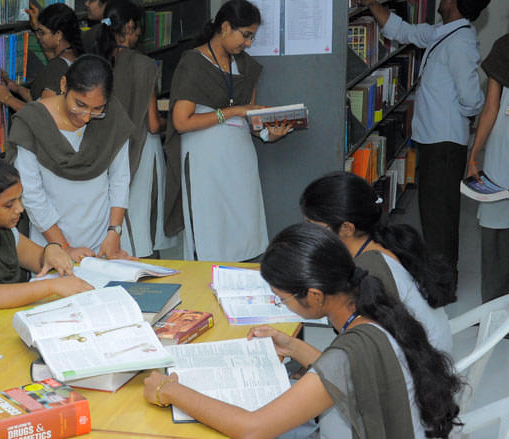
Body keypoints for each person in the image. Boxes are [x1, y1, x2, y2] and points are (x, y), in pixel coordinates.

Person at [143, 223, 462, 438]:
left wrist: (168, 390)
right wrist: (293, 347)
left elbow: (253, 428)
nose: (282, 307)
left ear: (314, 295)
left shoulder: (350, 351)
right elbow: (348, 376)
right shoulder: (372, 307)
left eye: (281, 299)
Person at [358, 0, 489, 287]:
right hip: (433, 137)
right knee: (433, 211)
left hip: (444, 141)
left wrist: (464, 114)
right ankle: (439, 277)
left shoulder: (460, 42)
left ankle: (442, 285)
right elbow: (403, 31)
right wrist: (370, 4)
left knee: (440, 214)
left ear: (453, 4)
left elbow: (471, 98)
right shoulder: (446, 31)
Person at [163, 0, 292, 262]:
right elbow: (181, 122)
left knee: (241, 233)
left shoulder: (246, 67)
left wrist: (268, 133)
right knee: (210, 233)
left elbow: (250, 117)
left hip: (240, 160)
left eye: (252, 37)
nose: (248, 44)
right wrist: (231, 112)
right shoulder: (194, 63)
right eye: (245, 35)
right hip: (205, 162)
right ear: (224, 27)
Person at [301, 171, 454, 353]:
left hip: (417, 371)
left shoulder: (368, 273)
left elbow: (359, 353)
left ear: (346, 228)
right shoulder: (384, 242)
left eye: (313, 226)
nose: (308, 233)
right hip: (428, 356)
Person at [8, 54, 134, 261]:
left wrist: (114, 231)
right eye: (80, 104)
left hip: (107, 239)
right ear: (64, 84)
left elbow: (120, 179)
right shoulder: (32, 122)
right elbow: (31, 194)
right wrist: (64, 246)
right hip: (52, 243)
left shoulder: (112, 117)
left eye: (96, 109)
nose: (85, 117)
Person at [0, 157, 93, 330]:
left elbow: (40, 259)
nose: (20, 209)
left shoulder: (2, 231)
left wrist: (53, 250)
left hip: (7, 325)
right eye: (9, 205)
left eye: (20, 199)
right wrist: (50, 286)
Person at [93, 0, 177, 258]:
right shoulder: (143, 64)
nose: (140, 33)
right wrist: (171, 122)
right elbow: (152, 125)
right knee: (142, 221)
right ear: (129, 26)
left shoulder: (98, 62)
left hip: (107, 151)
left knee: (118, 218)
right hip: (141, 149)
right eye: (138, 27)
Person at [466, 32, 509, 303]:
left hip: (502, 151)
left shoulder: (505, 45)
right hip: (502, 152)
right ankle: (496, 311)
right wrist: (474, 155)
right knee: (496, 229)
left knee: (496, 232)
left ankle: (495, 312)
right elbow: (491, 108)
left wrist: (475, 156)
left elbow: (491, 108)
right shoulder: (504, 46)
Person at [0, 3, 84, 112]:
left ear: (59, 34)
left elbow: (43, 115)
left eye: (42, 33)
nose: (38, 36)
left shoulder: (58, 66)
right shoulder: (73, 56)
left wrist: (8, 99)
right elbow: (39, 99)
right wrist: (15, 88)